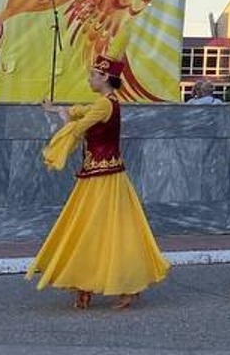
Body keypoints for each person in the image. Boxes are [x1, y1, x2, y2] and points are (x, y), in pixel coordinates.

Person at [27, 35, 170, 308]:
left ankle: (112, 284)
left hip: (105, 178)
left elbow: (79, 126)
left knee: (98, 229)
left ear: (104, 78)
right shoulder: (105, 103)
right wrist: (58, 109)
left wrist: (64, 125)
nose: (89, 79)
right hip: (98, 175)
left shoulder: (105, 104)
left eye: (92, 75)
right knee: (92, 228)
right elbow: (81, 112)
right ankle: (89, 284)